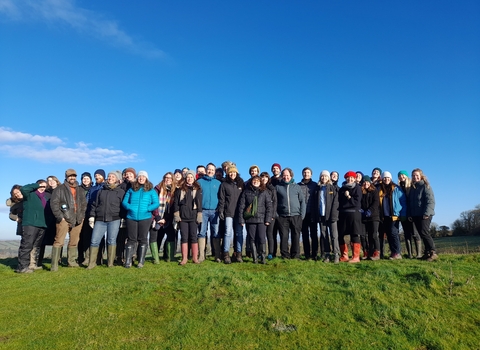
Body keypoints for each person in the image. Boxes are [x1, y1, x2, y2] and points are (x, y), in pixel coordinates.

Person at [50, 169, 87, 271]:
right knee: (59, 241)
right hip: (64, 219)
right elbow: (54, 204)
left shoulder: (80, 190)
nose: (72, 177)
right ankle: (54, 265)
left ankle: (71, 262)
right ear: (66, 177)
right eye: (70, 176)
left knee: (74, 241)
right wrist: (60, 217)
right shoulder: (59, 189)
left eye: (74, 176)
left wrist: (82, 216)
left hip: (78, 218)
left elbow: (84, 204)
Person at [86, 171, 125, 269]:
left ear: (117, 179)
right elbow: (95, 204)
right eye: (109, 176)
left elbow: (123, 207)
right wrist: (92, 216)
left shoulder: (120, 192)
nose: (110, 178)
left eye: (113, 176)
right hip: (100, 219)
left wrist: (123, 218)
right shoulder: (101, 191)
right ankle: (91, 263)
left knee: (111, 240)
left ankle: (110, 264)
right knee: (94, 241)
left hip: (114, 219)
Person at [122, 170, 159, 268]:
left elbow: (156, 203)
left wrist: (148, 209)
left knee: (143, 239)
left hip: (145, 217)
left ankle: (141, 261)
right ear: (137, 178)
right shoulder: (131, 189)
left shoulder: (151, 190)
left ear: (146, 178)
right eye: (139, 177)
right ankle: (128, 261)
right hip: (131, 217)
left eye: (143, 177)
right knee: (131, 239)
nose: (141, 178)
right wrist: (130, 207)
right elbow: (124, 202)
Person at [15, 180, 50, 273]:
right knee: (27, 245)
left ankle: (32, 264)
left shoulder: (45, 198)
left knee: (36, 246)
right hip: (30, 223)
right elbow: (23, 188)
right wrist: (36, 185)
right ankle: (22, 267)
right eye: (41, 186)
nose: (42, 188)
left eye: (44, 187)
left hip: (42, 224)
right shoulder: (29, 194)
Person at [238, 175, 272, 264]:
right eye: (254, 180)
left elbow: (269, 206)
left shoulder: (264, 192)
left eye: (257, 180)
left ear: (260, 182)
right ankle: (255, 259)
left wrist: (268, 219)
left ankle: (263, 258)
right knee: (252, 239)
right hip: (250, 220)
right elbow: (241, 206)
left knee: (261, 238)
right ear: (251, 182)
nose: (256, 182)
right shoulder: (246, 192)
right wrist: (241, 220)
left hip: (262, 220)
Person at [275, 168, 306, 259]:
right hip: (282, 216)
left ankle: (295, 255)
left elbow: (302, 202)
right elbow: (275, 202)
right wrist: (277, 215)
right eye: (284, 175)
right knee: (284, 236)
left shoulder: (296, 187)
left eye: (287, 175)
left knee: (296, 236)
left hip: (296, 216)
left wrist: (302, 216)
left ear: (291, 176)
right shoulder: (278, 187)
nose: (286, 177)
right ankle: (285, 255)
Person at [173, 170, 203, 265]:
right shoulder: (180, 189)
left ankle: (195, 258)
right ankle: (184, 258)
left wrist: (199, 215)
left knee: (194, 237)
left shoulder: (198, 189)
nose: (190, 179)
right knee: (184, 237)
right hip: (183, 218)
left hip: (193, 217)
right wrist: (177, 215)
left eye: (191, 177)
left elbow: (199, 203)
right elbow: (176, 203)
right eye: (188, 177)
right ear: (185, 178)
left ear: (194, 178)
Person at [408, 168, 437, 261]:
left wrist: (427, 213)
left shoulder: (425, 186)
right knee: (421, 233)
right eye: (413, 175)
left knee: (424, 232)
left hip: (425, 214)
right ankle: (427, 252)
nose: (415, 177)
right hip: (416, 215)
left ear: (421, 176)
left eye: (417, 175)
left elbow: (430, 201)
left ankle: (433, 252)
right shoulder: (412, 188)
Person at [217, 165, 244, 264]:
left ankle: (239, 254)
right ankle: (226, 254)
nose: (232, 174)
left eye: (234, 172)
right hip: (228, 212)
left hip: (239, 213)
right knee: (228, 233)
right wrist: (221, 210)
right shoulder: (224, 184)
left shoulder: (241, 183)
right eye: (230, 172)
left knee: (239, 233)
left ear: (237, 173)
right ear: (228, 173)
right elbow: (222, 199)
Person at [378, 171, 406, 260]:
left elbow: (403, 202)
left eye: (388, 178)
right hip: (384, 215)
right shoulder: (379, 189)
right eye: (385, 178)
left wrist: (403, 214)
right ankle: (393, 253)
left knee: (394, 233)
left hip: (394, 215)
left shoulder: (396, 188)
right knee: (389, 234)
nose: (386, 179)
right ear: (382, 179)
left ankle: (397, 253)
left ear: (391, 178)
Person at [150, 172, 177, 263]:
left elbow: (173, 207)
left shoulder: (174, 191)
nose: (168, 179)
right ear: (163, 178)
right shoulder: (157, 189)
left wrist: (166, 219)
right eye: (166, 177)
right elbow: (153, 203)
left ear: (172, 180)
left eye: (170, 178)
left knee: (171, 236)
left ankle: (169, 257)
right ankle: (156, 258)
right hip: (156, 217)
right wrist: (157, 217)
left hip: (168, 219)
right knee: (157, 237)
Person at [197, 163, 221, 262]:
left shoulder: (218, 183)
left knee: (215, 232)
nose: (210, 171)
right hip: (203, 211)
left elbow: (221, 197)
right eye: (209, 169)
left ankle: (217, 255)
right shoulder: (199, 182)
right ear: (206, 170)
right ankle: (201, 255)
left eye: (212, 170)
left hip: (215, 211)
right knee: (202, 232)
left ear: (214, 171)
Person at [314, 171, 339, 263]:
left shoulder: (333, 188)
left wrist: (334, 215)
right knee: (324, 235)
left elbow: (336, 203)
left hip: (332, 216)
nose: (323, 178)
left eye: (325, 176)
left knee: (334, 235)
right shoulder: (318, 189)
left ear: (328, 178)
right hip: (321, 215)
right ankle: (327, 254)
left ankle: (336, 254)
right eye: (322, 176)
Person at [338, 171, 363, 263]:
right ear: (345, 179)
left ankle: (356, 257)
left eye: (352, 177)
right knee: (341, 235)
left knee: (354, 234)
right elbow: (339, 202)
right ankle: (344, 256)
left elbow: (357, 202)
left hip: (354, 214)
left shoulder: (358, 188)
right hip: (343, 214)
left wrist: (348, 197)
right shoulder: (341, 189)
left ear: (355, 178)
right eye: (348, 178)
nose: (350, 179)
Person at [398, 170, 422, 258]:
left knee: (415, 233)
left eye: (403, 175)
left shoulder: (412, 186)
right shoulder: (398, 188)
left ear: (407, 176)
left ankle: (419, 254)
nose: (401, 177)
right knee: (407, 234)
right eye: (400, 176)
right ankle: (410, 254)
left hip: (412, 213)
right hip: (403, 213)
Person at [298, 167, 319, 260]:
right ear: (302, 174)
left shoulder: (315, 185)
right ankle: (307, 254)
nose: (306, 174)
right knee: (304, 235)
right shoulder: (298, 185)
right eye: (305, 172)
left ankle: (314, 254)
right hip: (302, 214)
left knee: (314, 235)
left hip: (313, 213)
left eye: (308, 172)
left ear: (311, 174)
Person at [360, 176, 381, 260]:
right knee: (363, 235)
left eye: (367, 182)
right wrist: (361, 210)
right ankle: (367, 252)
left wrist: (370, 211)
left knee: (374, 235)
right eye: (364, 182)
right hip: (364, 217)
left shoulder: (374, 191)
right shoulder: (361, 192)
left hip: (374, 216)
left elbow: (376, 202)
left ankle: (377, 253)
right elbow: (359, 202)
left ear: (370, 183)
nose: (366, 184)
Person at [78, 171, 93, 265]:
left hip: (89, 216)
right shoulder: (78, 189)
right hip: (79, 216)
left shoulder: (93, 189)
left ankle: (87, 258)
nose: (86, 180)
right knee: (79, 238)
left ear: (91, 180)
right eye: (84, 178)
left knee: (88, 237)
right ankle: (80, 257)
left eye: (87, 178)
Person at [261, 172, 277, 260]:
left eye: (266, 177)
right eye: (262, 177)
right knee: (261, 235)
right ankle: (261, 252)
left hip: (270, 214)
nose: (264, 179)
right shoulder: (259, 188)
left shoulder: (272, 189)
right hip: (261, 215)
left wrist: (272, 215)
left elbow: (275, 203)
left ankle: (271, 253)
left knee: (270, 234)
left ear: (268, 179)